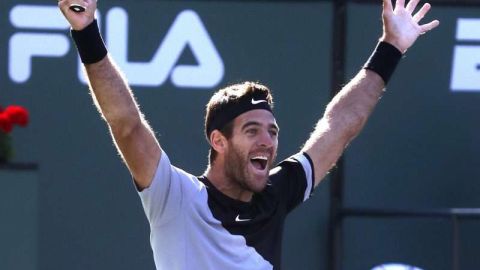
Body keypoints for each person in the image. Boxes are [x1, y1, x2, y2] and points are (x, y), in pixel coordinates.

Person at [58, 0, 439, 269]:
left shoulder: (277, 194)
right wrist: (87, 31)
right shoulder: (175, 197)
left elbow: (339, 126)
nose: (268, 142)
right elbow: (126, 124)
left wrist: (390, 48)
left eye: (272, 132)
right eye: (252, 130)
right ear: (218, 141)